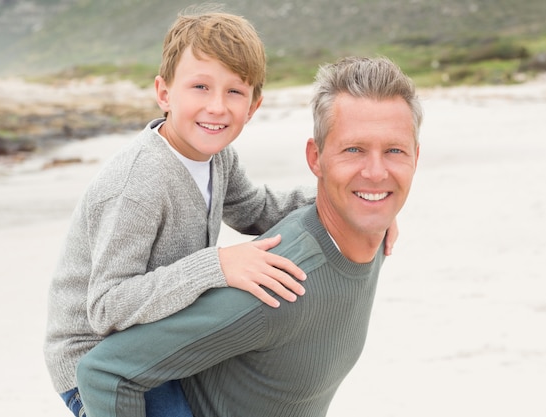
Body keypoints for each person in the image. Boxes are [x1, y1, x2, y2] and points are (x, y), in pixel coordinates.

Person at [75, 55, 422, 417]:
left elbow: (254, 207)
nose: (377, 171)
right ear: (315, 158)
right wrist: (217, 263)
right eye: (354, 149)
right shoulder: (277, 286)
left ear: (416, 157)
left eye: (394, 151)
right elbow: (104, 374)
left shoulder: (374, 238)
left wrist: (366, 210)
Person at [44, 10, 318, 417]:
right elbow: (106, 308)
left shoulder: (218, 157)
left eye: (234, 92)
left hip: (159, 337)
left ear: (254, 106)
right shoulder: (138, 184)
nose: (217, 107)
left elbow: (256, 210)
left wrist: (342, 202)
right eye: (200, 87)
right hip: (99, 360)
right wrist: (216, 266)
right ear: (164, 92)